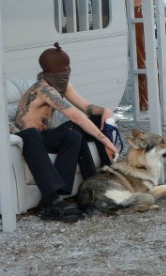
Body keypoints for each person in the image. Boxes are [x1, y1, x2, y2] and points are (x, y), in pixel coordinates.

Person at [14, 43, 118, 222]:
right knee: (45, 132)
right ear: (56, 69)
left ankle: (96, 185)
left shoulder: (61, 85)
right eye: (65, 67)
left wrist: (104, 110)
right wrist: (108, 142)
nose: (69, 70)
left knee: (75, 133)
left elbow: (85, 107)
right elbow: (76, 117)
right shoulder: (44, 89)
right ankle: (50, 202)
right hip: (28, 139)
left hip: (45, 135)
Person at [132, 0, 151, 112]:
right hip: (144, 11)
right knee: (144, 55)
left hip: (134, 11)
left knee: (140, 57)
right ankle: (146, 99)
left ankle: (144, 101)